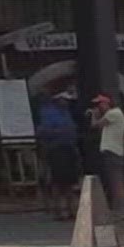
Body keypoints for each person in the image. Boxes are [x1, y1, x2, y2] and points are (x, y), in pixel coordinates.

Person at [33, 91, 80, 220]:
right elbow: (43, 131)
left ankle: (70, 208)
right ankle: (59, 209)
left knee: (70, 182)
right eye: (64, 100)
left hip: (69, 149)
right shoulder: (48, 113)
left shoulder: (66, 113)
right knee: (58, 182)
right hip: (56, 150)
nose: (66, 102)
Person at [90, 92, 124, 209]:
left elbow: (95, 125)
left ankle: (120, 208)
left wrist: (94, 115)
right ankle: (118, 207)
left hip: (112, 151)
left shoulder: (113, 114)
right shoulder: (115, 115)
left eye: (100, 104)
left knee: (116, 181)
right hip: (114, 151)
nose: (99, 107)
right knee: (114, 181)